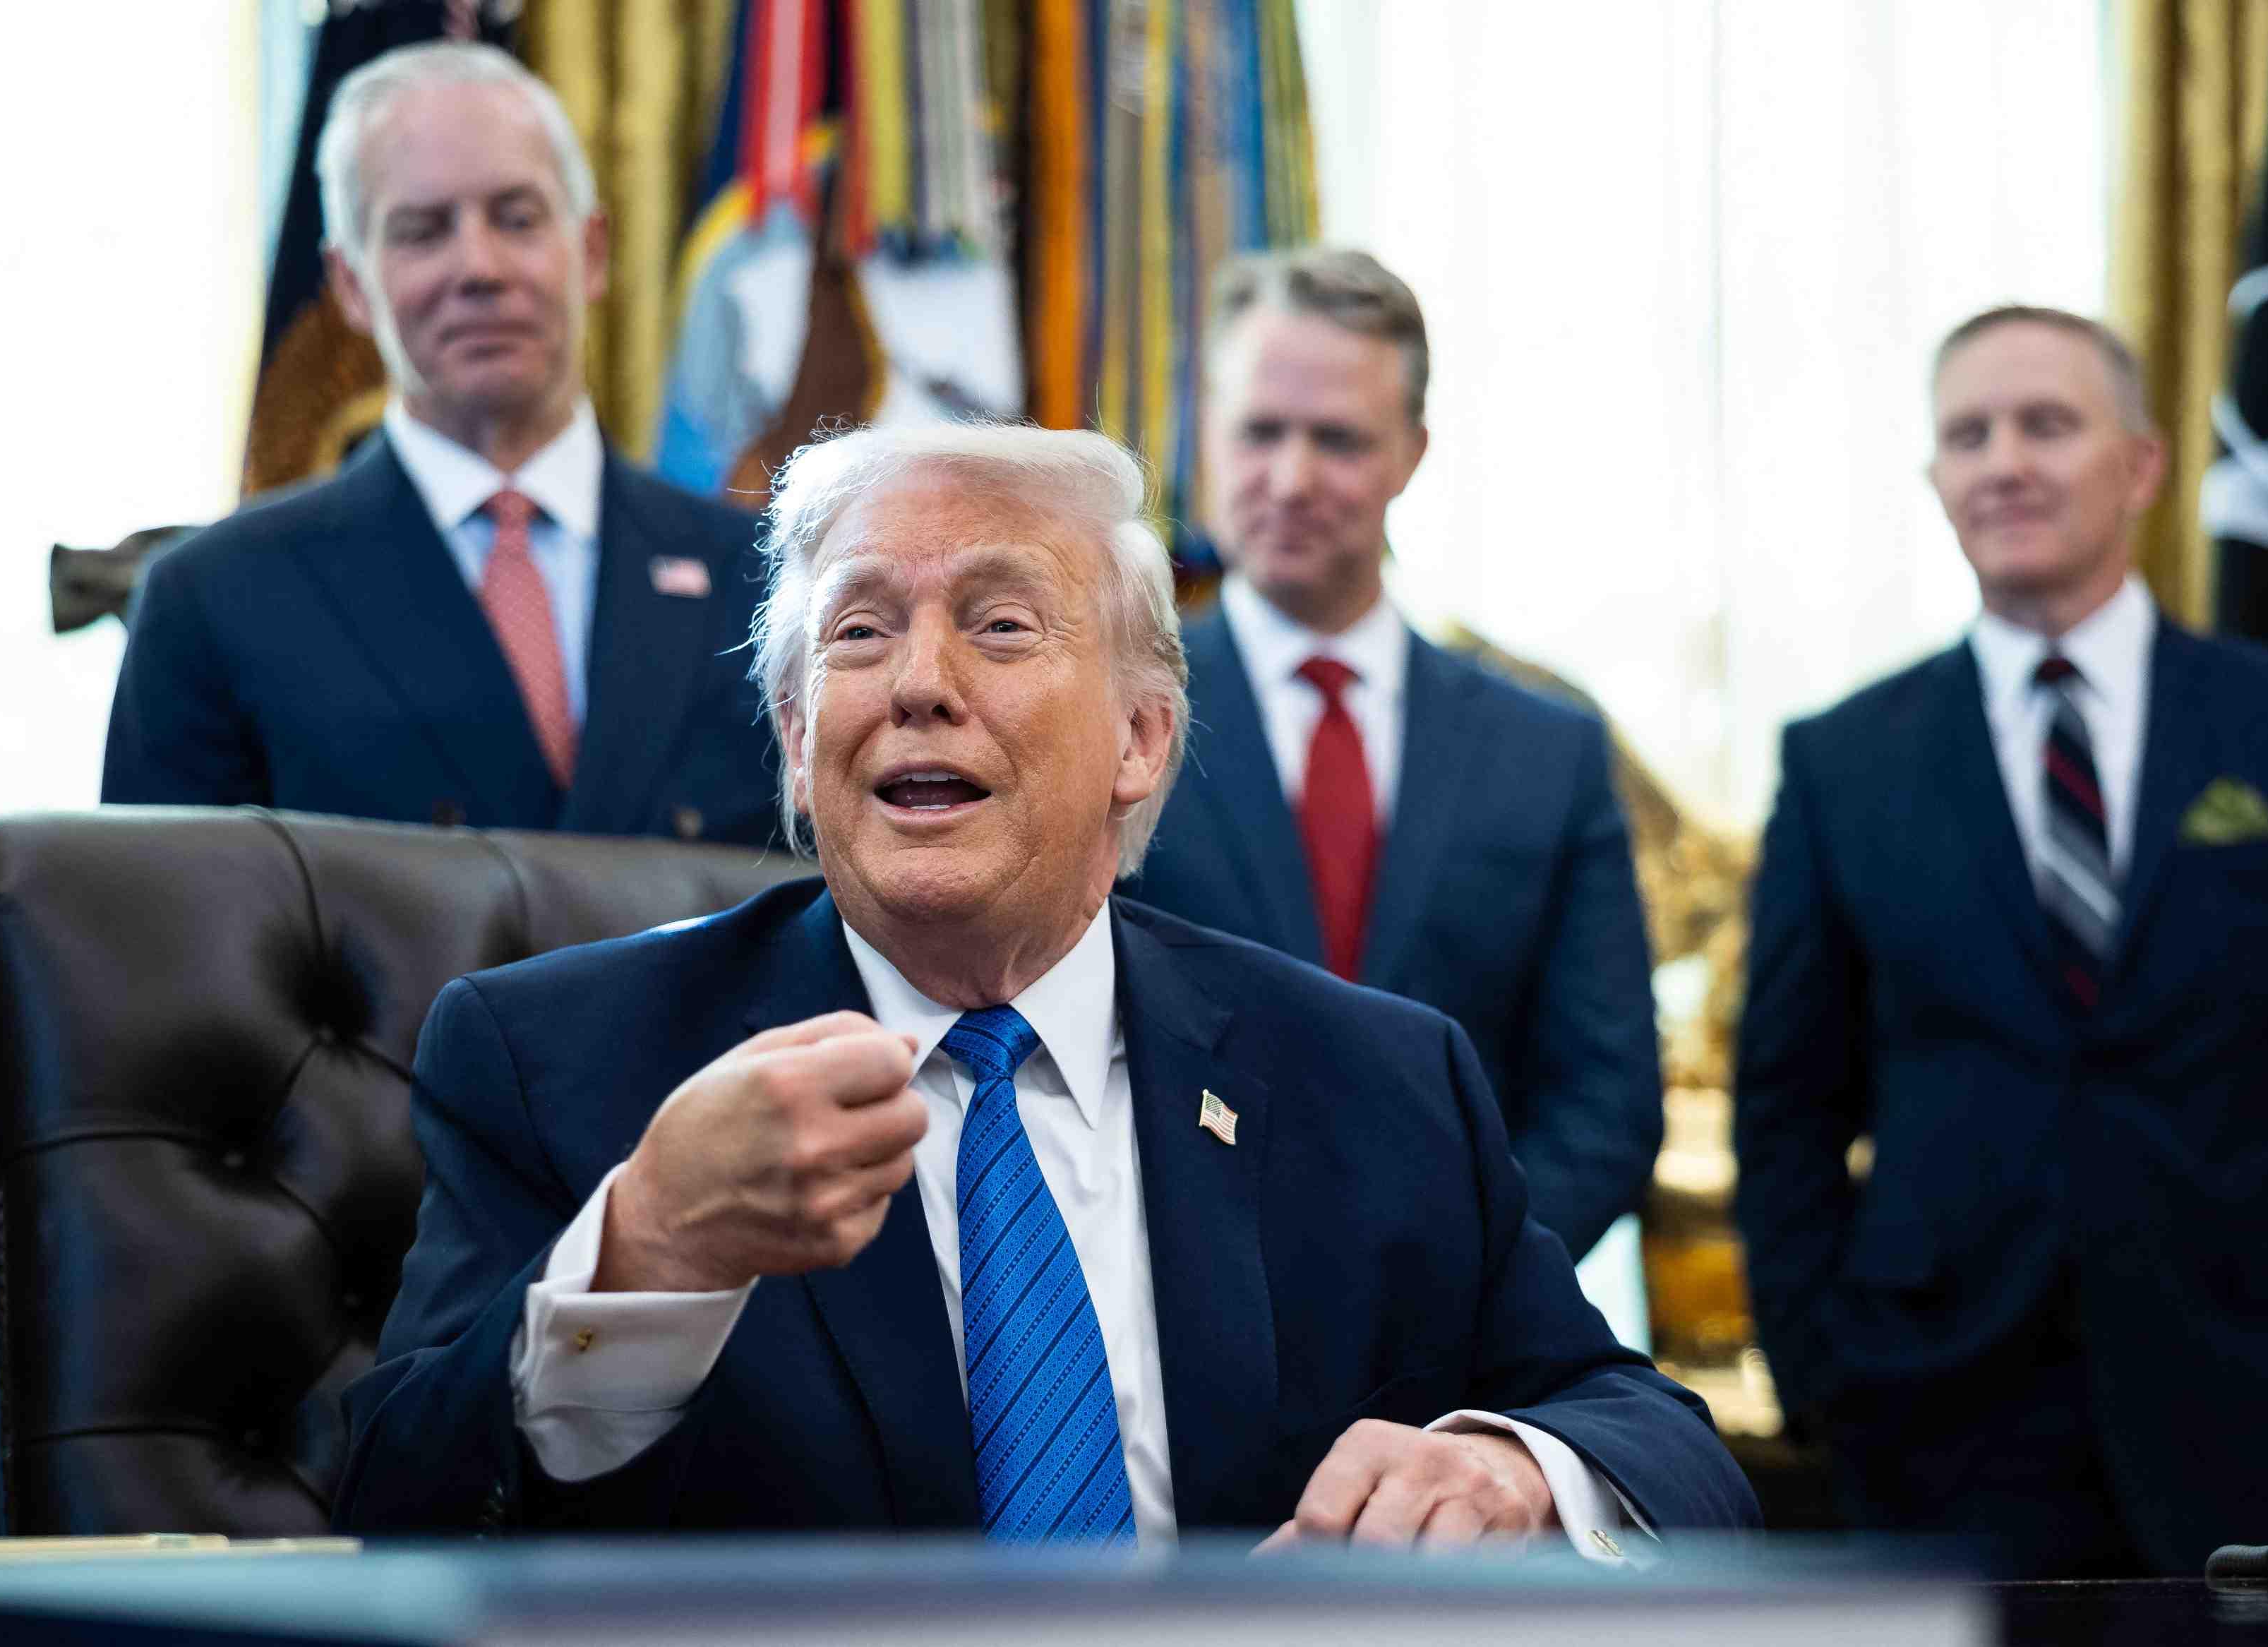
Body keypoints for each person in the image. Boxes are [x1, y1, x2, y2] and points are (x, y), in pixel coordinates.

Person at [333, 423, 1759, 1545]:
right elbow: (396, 1508)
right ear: (792, 728)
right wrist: (642, 1249)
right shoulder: (565, 1060)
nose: (919, 682)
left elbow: (1652, 1429)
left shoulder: (1374, 1076)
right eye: (858, 631)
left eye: (1002, 626)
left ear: (1141, 737)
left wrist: (1510, 1463)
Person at [1732, 305, 2268, 1576]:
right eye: (1968, 434)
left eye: (2047, 424)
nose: (2004, 459)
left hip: (2255, 1407)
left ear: (2141, 464)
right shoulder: (1841, 758)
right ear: (1936, 482)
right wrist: (1823, 1376)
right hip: (1930, 1417)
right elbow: (1787, 1105)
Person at [1127, 248, 1661, 1260]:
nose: (1290, 478)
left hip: (1462, 1346)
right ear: (1208, 432)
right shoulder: (1105, 727)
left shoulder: (1547, 755)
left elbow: (1609, 1098)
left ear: (1411, 453)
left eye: (1337, 440)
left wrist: (1471, 1286)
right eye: (1260, 432)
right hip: (1159, 1321)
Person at [102, 42, 774, 845]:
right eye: (422, 231)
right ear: (351, 284)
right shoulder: (210, 601)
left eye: (517, 219)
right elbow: (159, 949)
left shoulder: (765, 580)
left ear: (591, 252)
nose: (478, 266)